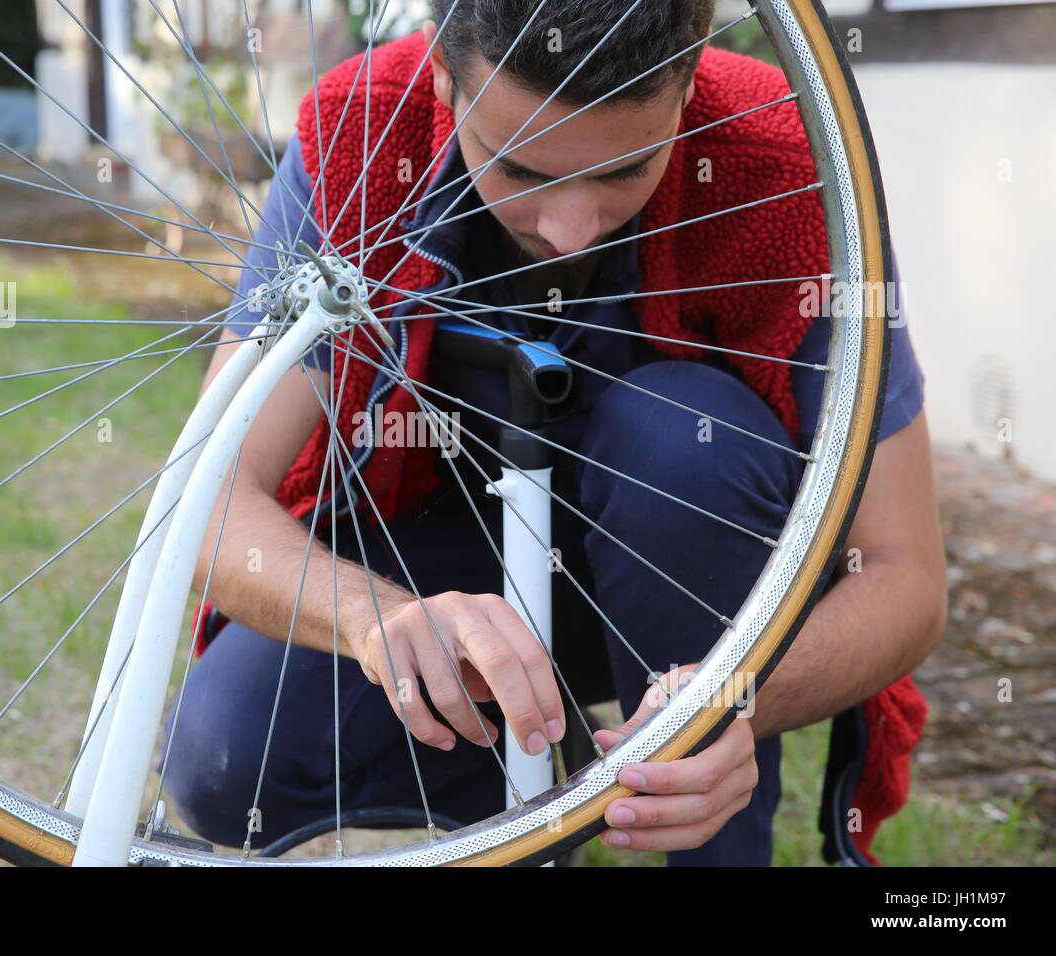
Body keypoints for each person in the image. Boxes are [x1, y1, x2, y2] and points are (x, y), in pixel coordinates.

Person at [159, 0, 947, 865]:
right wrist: (375, 620)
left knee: (681, 439)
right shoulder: (363, 130)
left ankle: (707, 827)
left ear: (689, 85)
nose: (568, 228)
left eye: (625, 170)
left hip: (692, 564)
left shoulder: (789, 158)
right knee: (231, 753)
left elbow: (906, 576)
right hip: (448, 568)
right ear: (442, 80)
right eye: (521, 168)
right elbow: (205, 502)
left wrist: (735, 694)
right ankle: (544, 781)